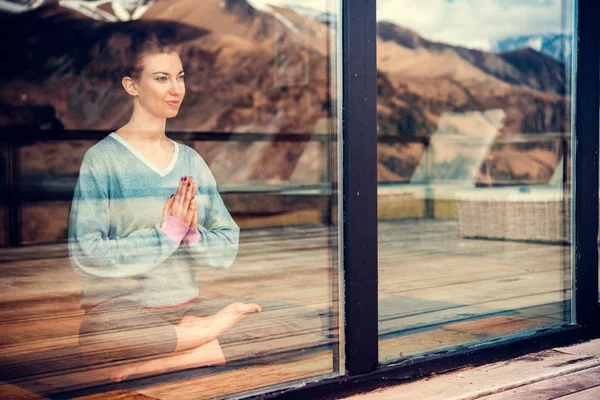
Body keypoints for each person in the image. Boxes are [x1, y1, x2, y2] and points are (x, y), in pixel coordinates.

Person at [68, 34, 322, 383]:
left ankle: (166, 359)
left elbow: (226, 245)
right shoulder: (102, 160)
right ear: (131, 86)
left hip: (188, 310)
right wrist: (166, 234)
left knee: (305, 322)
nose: (176, 89)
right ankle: (210, 338)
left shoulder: (190, 160)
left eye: (180, 77)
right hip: (122, 314)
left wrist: (190, 234)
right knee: (102, 333)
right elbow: (86, 253)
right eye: (161, 78)